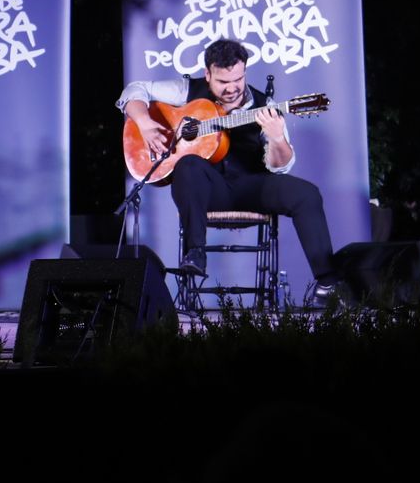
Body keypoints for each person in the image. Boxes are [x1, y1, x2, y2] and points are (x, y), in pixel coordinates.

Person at [117, 38, 341, 305]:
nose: (233, 88)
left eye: (238, 79)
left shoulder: (263, 105)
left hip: (252, 186)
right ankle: (195, 253)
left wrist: (277, 139)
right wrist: (145, 123)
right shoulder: (186, 90)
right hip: (206, 191)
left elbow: (280, 166)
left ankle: (327, 285)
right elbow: (133, 90)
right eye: (224, 82)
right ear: (208, 74)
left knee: (307, 194)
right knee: (187, 165)